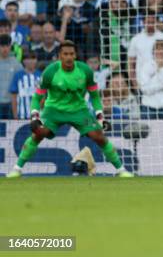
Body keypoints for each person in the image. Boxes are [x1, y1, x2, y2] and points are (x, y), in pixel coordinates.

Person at [7, 40, 133, 178]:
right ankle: (17, 169)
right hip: (54, 110)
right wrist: (35, 116)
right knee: (38, 134)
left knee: (99, 137)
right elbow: (37, 98)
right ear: (60, 56)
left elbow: (95, 97)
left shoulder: (85, 71)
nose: (68, 57)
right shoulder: (50, 71)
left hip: (79, 110)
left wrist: (100, 117)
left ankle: (121, 170)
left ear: (75, 55)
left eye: (71, 54)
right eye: (65, 54)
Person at [128, 11, 163, 90]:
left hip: (162, 83)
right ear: (143, 22)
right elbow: (130, 64)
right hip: (142, 83)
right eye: (147, 22)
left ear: (157, 22)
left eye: (152, 22)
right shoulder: (135, 39)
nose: (150, 25)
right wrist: (134, 84)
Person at [10, 51, 41, 120]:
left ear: (36, 60)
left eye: (33, 58)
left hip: (37, 116)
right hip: (21, 116)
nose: (30, 61)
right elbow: (14, 97)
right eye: (28, 58)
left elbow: (43, 97)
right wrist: (15, 115)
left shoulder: (40, 75)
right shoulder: (18, 76)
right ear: (23, 61)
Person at [0, 34, 22, 119]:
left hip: (11, 104)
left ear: (10, 46)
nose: (5, 49)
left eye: (7, 46)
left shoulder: (16, 64)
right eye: (2, 46)